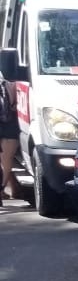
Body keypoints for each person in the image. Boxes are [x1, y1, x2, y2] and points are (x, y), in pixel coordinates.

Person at [0, 76, 19, 206]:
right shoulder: (8, 78)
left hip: (7, 121)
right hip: (8, 122)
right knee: (6, 159)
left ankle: (6, 189)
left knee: (5, 160)